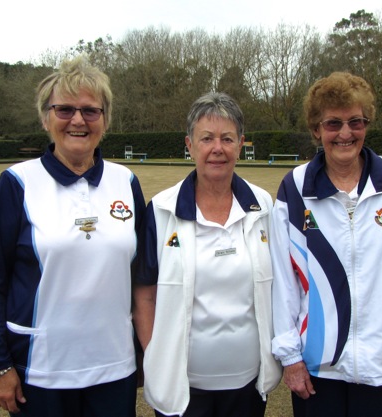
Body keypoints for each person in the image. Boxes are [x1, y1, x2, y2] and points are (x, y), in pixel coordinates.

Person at [0, 56, 145, 416]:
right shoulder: (17, 182)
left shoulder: (126, 182)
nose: (78, 120)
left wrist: (147, 351)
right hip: (41, 372)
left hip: (116, 368)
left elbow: (142, 279)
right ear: (45, 117)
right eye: (64, 109)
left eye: (90, 110)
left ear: (105, 119)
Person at [270, 72, 382, 417]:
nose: (345, 133)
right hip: (318, 362)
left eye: (356, 122)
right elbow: (283, 281)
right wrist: (290, 356)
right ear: (316, 129)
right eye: (333, 123)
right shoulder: (294, 188)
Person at [133, 92, 282, 417]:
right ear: (189, 145)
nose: (218, 148)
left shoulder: (263, 206)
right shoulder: (161, 210)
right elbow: (144, 295)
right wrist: (156, 355)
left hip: (248, 386)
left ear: (240, 144)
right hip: (183, 388)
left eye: (227, 138)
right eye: (207, 138)